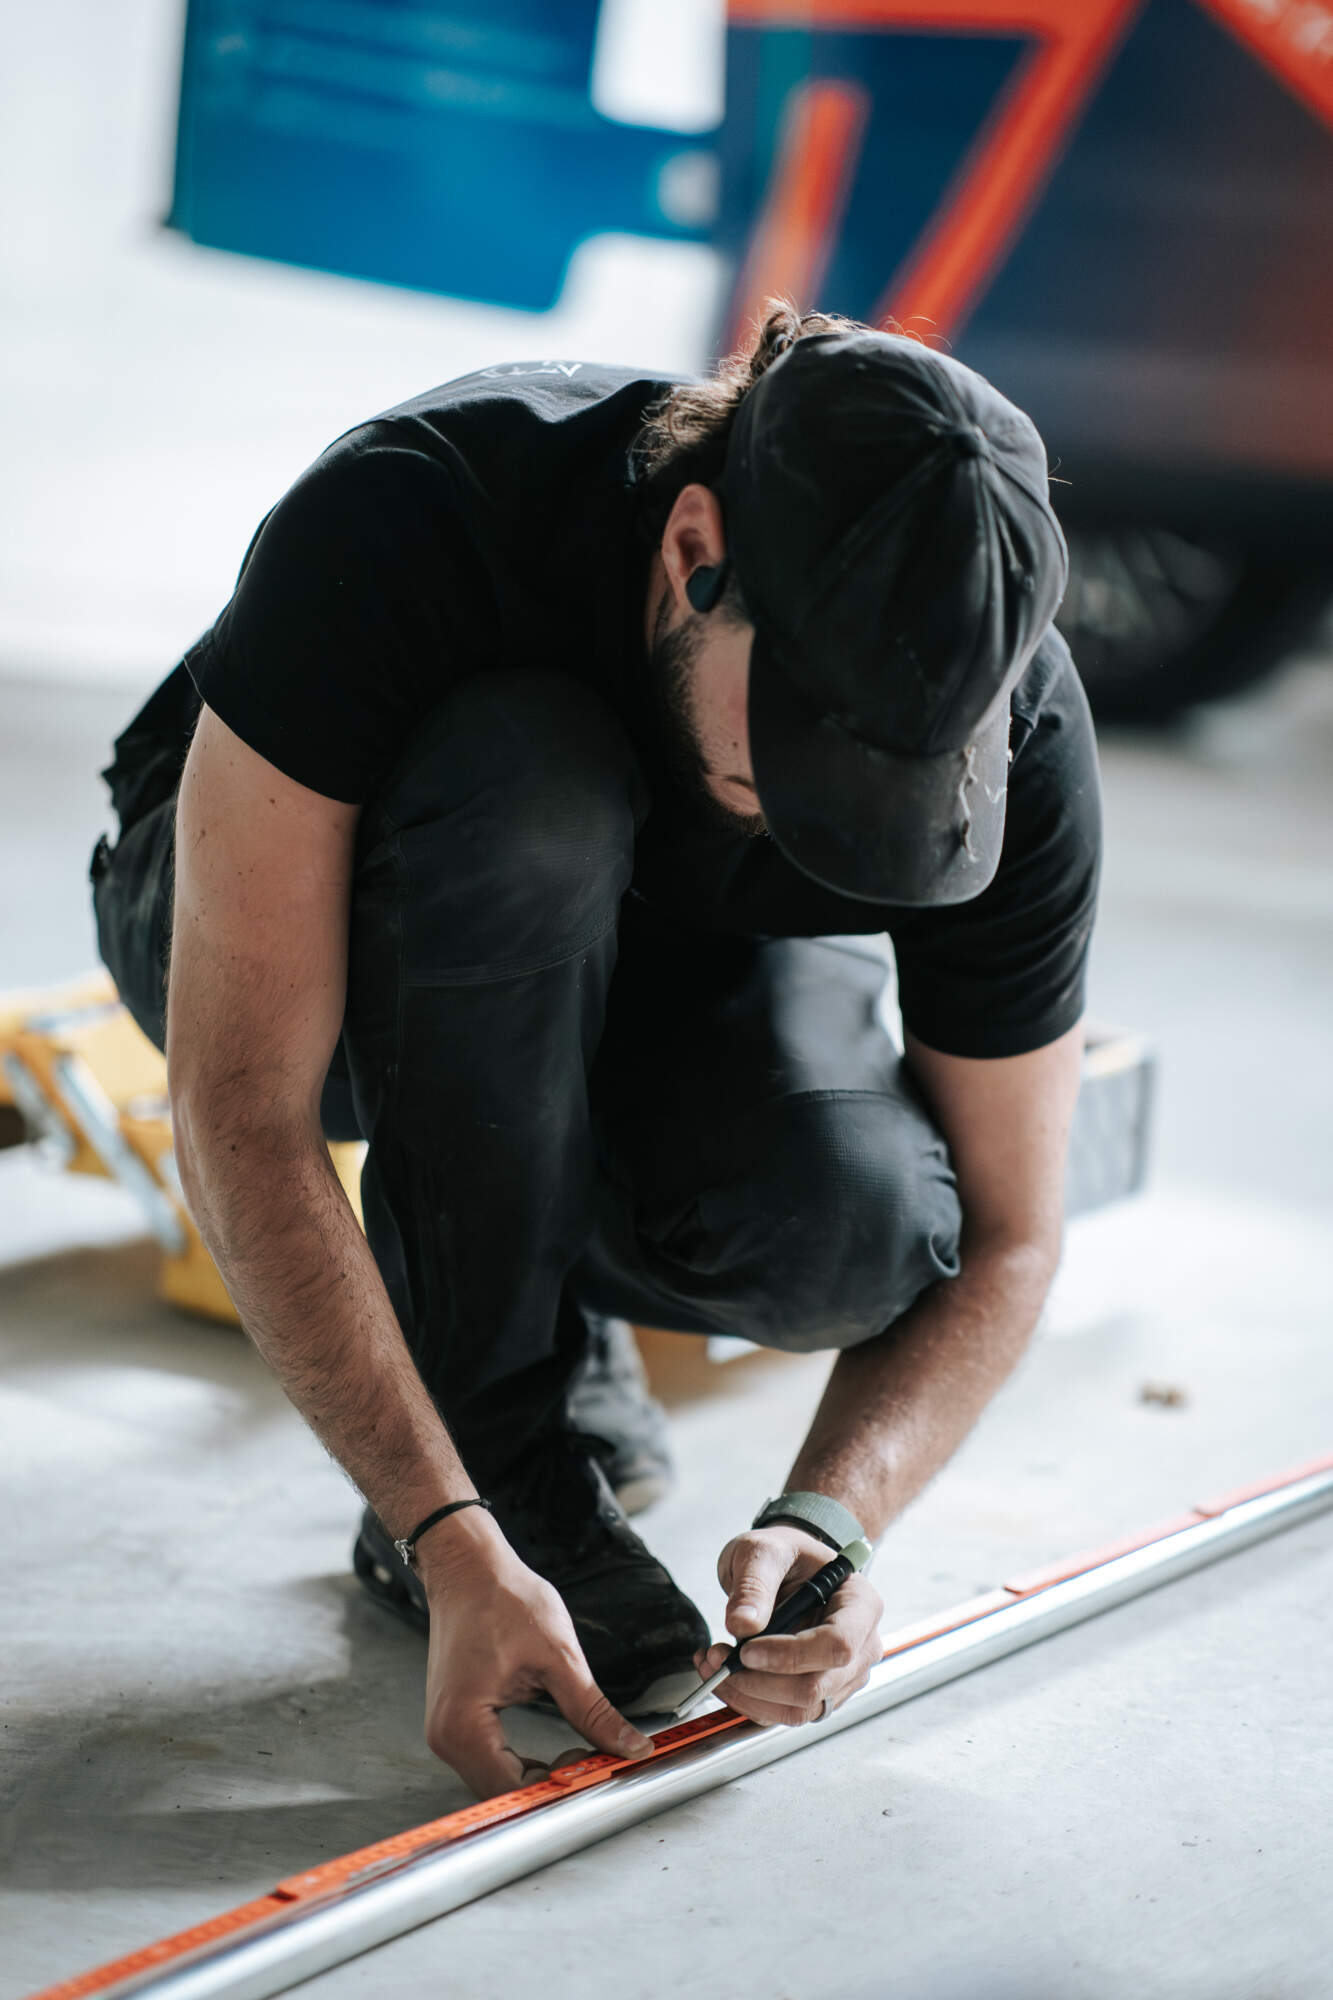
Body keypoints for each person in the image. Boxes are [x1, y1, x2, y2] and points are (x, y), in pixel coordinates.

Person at [91, 304, 1101, 1800]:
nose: (815, 806)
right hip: (301, 913)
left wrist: (838, 1514)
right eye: (801, 761)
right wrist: (447, 1524)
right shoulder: (417, 514)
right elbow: (239, 1107)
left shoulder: (1011, 731)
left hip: (651, 956)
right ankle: (512, 1443)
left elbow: (1012, 1236)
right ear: (695, 553)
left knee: (854, 1232)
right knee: (535, 788)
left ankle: (540, 1297)